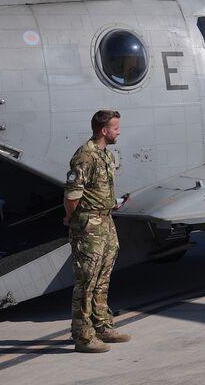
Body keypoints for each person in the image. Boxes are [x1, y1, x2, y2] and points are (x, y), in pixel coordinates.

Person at [64, 110, 130, 353]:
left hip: (106, 221)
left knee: (103, 277)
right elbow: (72, 194)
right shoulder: (85, 156)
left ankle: (101, 326)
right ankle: (82, 336)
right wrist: (72, 218)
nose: (118, 131)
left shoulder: (105, 155)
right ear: (104, 131)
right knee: (86, 281)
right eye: (115, 128)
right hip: (88, 225)